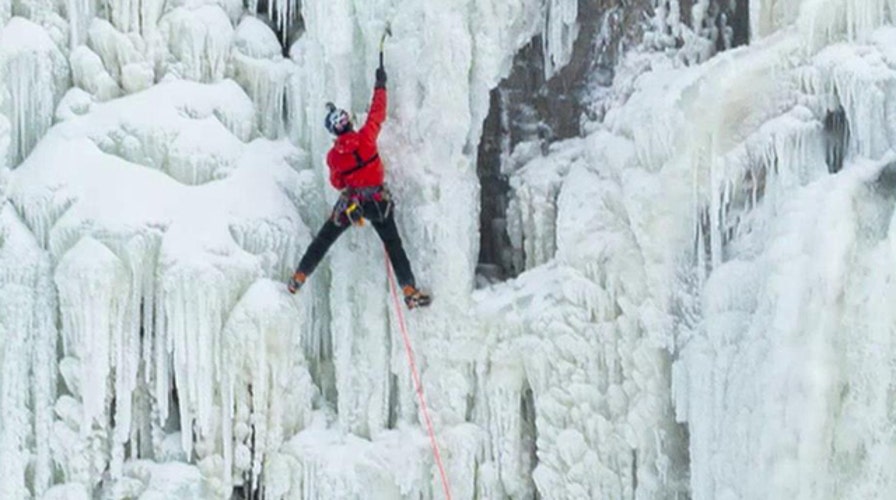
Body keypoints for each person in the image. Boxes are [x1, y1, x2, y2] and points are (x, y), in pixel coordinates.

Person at [287, 65, 432, 309]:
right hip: (378, 203)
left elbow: (337, 182)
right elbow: (378, 112)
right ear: (350, 123)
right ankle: (408, 289)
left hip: (352, 206)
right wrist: (380, 84)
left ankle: (299, 277)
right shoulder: (366, 138)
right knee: (394, 245)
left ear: (333, 132)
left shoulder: (334, 156)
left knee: (323, 239)